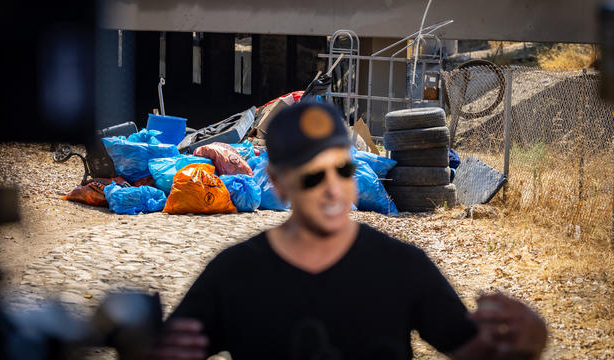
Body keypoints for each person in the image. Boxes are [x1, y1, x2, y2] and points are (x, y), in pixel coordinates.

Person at [150, 101, 547, 360]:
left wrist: (524, 344)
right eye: (311, 175)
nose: (331, 187)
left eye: (342, 169)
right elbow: (169, 349)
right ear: (277, 182)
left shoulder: (401, 267)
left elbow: (467, 348)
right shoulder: (234, 273)